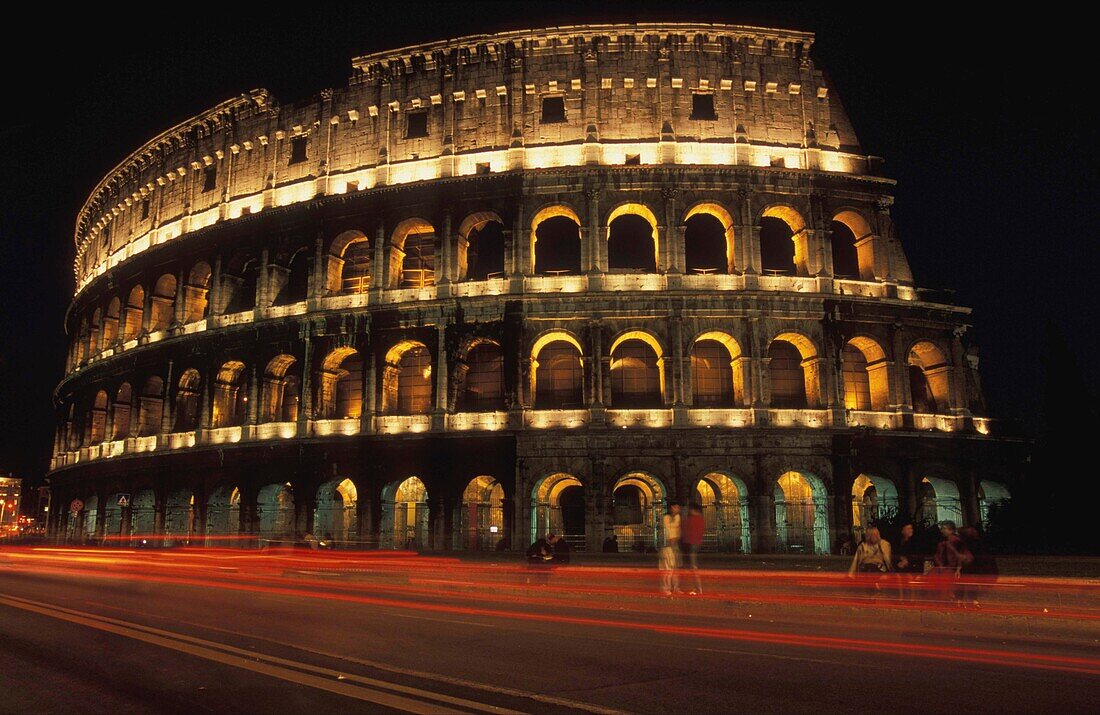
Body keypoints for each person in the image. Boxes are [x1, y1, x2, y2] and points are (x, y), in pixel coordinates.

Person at [932, 521, 972, 603]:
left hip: (951, 568)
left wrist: (958, 569)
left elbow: (961, 555)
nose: (942, 530)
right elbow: (938, 555)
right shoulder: (943, 541)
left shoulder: (955, 541)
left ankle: (950, 599)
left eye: (944, 528)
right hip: (945, 567)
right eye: (942, 528)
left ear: (951, 530)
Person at [958, 526, 998, 606]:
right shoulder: (978, 543)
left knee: (962, 583)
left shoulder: (964, 543)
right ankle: (972, 600)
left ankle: (961, 600)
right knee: (972, 583)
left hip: (968, 566)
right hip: (975, 566)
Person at [848, 526, 891, 595]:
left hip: (880, 569)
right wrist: (851, 575)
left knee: (871, 568)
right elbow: (856, 561)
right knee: (868, 568)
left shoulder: (884, 544)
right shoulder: (863, 546)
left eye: (877, 534)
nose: (875, 536)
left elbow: (887, 559)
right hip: (866, 569)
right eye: (873, 534)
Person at [892, 522, 923, 600]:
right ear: (902, 531)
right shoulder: (898, 543)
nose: (910, 530)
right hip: (902, 566)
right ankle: (901, 597)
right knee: (899, 576)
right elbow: (894, 555)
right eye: (908, 528)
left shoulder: (916, 542)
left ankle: (912, 598)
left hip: (914, 566)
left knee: (908, 576)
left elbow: (919, 556)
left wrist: (907, 560)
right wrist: (901, 559)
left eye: (911, 528)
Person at [680, 502, 705, 595]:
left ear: (693, 510)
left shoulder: (691, 519)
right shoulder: (701, 519)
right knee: (693, 567)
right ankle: (697, 588)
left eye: (690, 510)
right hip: (696, 544)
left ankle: (698, 589)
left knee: (693, 568)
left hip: (690, 544)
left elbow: (684, 529)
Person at [659, 503, 682, 596]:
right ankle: (666, 588)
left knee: (675, 569)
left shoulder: (678, 517)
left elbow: (678, 531)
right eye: (676, 507)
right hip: (668, 545)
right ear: (672, 507)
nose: (678, 508)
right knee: (668, 569)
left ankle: (676, 587)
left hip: (675, 545)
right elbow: (668, 530)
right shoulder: (666, 518)